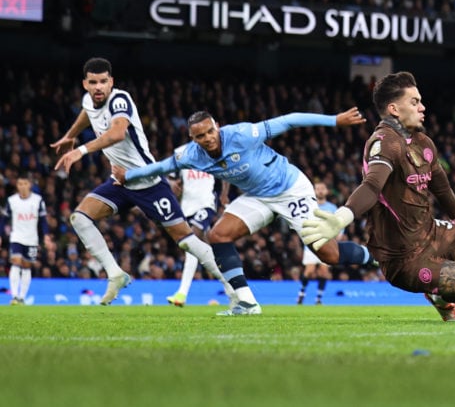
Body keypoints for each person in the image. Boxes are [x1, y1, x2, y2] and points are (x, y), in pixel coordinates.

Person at [113, 106, 368, 316]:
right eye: (200, 136)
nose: (208, 138)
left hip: (290, 189)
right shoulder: (191, 155)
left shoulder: (243, 134)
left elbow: (289, 120)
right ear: (193, 139)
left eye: (210, 131)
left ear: (217, 126)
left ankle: (376, 254)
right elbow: (160, 168)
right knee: (217, 235)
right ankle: (247, 303)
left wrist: (334, 120)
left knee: (329, 255)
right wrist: (128, 176)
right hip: (257, 196)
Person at [300, 71, 455, 322]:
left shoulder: (423, 142)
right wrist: (342, 216)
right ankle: (438, 293)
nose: (422, 107)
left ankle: (439, 285)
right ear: (394, 109)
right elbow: (372, 186)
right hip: (403, 258)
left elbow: (441, 187)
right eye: (415, 102)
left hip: (430, 234)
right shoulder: (385, 142)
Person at [52, 57, 230, 305]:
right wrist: (69, 135)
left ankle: (234, 289)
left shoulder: (120, 100)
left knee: (188, 242)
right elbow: (87, 111)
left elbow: (117, 133)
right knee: (80, 218)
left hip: (147, 181)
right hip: (120, 182)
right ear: (85, 84)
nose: (98, 87)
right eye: (93, 82)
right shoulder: (89, 100)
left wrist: (79, 150)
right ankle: (115, 274)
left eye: (104, 81)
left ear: (111, 82)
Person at [296, 181, 375, 305]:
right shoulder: (310, 206)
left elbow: (339, 225)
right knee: (309, 270)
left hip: (328, 241)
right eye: (317, 188)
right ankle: (301, 294)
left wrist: (337, 237)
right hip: (311, 243)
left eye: (322, 188)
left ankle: (318, 298)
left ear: (327, 191)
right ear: (313, 191)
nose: (320, 191)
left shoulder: (332, 208)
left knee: (323, 271)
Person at [165, 147, 220, 307]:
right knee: (207, 251)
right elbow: (171, 178)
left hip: (206, 205)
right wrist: (173, 184)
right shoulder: (180, 153)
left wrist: (223, 195)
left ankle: (182, 293)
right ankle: (234, 289)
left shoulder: (212, 152)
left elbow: (225, 176)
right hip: (187, 208)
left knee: (191, 243)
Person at [2, 177, 52, 304]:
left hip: (31, 239)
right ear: (17, 186)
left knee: (26, 266)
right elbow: (4, 219)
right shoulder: (11, 200)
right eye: (20, 184)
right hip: (16, 237)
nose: (22, 186)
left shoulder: (38, 200)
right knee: (15, 262)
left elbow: (43, 220)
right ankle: (14, 296)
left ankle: (22, 297)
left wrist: (46, 236)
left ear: (29, 184)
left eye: (25, 183)